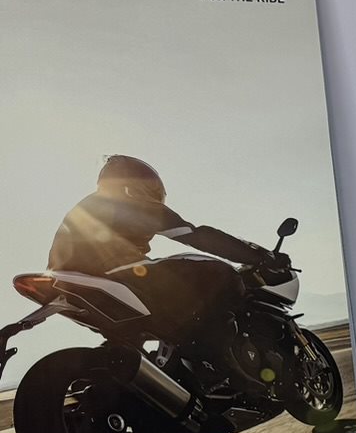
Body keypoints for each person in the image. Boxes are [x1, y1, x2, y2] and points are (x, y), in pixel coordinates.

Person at [48, 155, 281, 365]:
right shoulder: (125, 201)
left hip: (69, 278)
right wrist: (257, 256)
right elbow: (194, 235)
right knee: (222, 273)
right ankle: (216, 356)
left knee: (131, 336)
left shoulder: (88, 207)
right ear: (137, 183)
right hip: (112, 272)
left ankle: (120, 376)